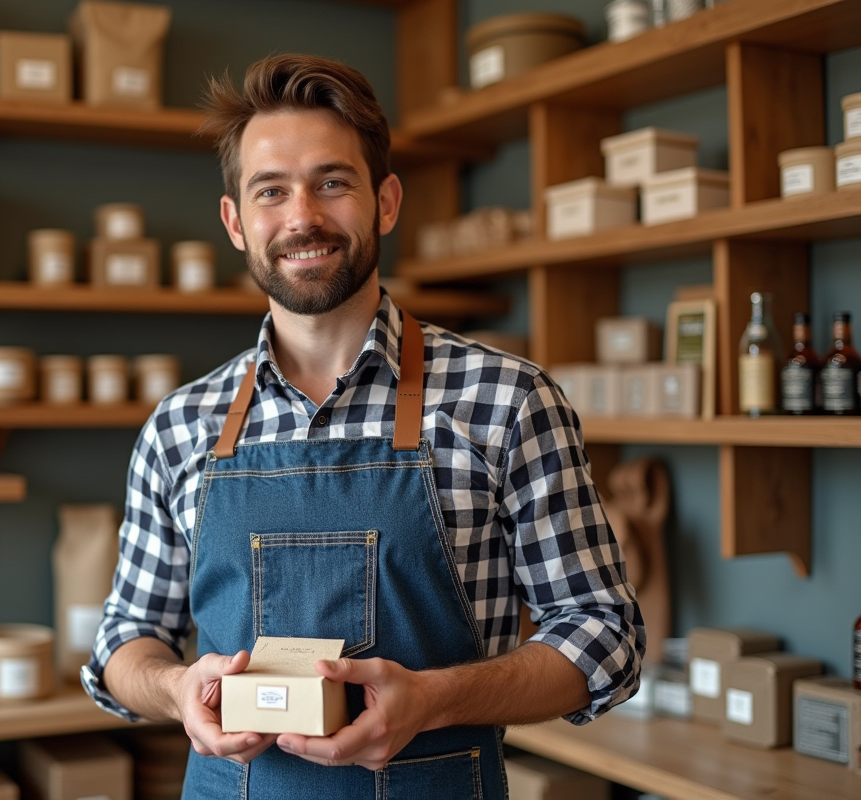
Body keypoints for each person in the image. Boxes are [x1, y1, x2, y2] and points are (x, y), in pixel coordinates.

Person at [81, 53, 645, 799]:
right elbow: (124, 640)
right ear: (236, 223)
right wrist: (177, 687)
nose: (302, 216)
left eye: (332, 183)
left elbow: (605, 635)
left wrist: (435, 700)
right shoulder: (180, 427)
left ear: (385, 201)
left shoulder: (507, 401)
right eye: (271, 191)